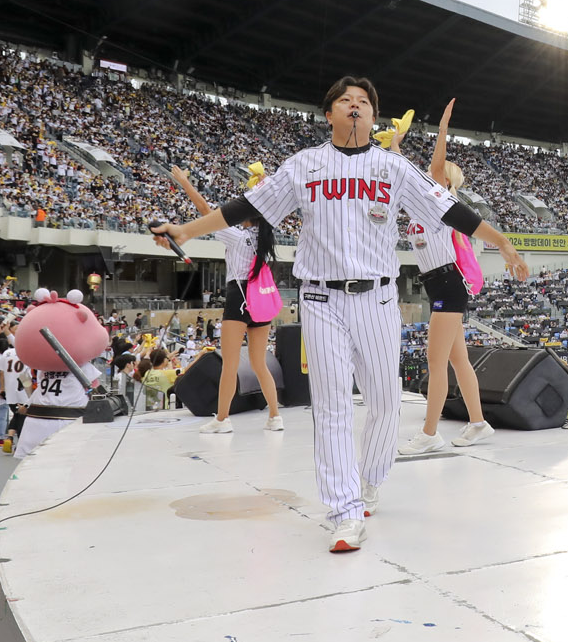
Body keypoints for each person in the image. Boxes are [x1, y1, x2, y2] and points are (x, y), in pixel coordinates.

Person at [153, 76, 529, 554]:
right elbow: (245, 206)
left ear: (374, 117)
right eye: (346, 101)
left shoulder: (393, 167)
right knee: (330, 406)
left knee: (387, 402)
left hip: (376, 298)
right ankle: (345, 511)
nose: (355, 107)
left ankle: (370, 480)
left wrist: (501, 242)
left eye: (364, 102)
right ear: (329, 113)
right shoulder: (302, 165)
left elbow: (450, 210)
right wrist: (186, 230)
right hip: (320, 299)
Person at [398, 100, 496, 455]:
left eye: (433, 173)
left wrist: (442, 129)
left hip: (447, 284)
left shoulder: (440, 202)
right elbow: (401, 172)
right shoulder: (422, 203)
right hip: (437, 284)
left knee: (435, 361)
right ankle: (479, 423)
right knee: (457, 360)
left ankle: (429, 433)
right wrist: (395, 142)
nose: (428, 173)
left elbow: (435, 167)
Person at [170, 164, 282, 434]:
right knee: (259, 363)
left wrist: (186, 183)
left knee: (230, 364)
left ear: (248, 215)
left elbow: (206, 212)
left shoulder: (236, 236)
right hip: (261, 301)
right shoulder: (266, 240)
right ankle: (275, 417)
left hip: (239, 297)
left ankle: (222, 420)